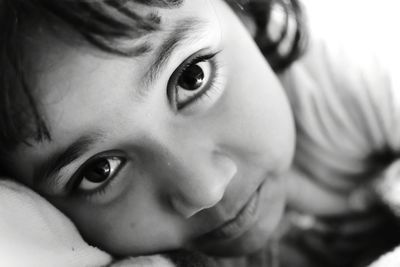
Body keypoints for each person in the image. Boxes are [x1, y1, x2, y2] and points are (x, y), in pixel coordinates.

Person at [1, 0, 400, 266]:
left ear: (240, 10)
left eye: (192, 77)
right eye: (99, 170)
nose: (205, 190)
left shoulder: (349, 70)